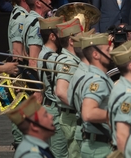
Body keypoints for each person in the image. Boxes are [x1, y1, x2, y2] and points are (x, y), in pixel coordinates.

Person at [74, 33, 114, 157]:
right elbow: (88, 113)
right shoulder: (97, 81)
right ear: (96, 54)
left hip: (98, 144)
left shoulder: (92, 76)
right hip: (100, 148)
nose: (110, 53)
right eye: (107, 50)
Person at [37, 16, 69, 158]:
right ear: (52, 36)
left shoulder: (43, 52)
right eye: (60, 33)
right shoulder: (53, 59)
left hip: (47, 107)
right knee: (60, 153)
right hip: (55, 110)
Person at [54, 19, 84, 158]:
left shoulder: (71, 59)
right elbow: (61, 91)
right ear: (72, 41)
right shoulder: (69, 62)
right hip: (71, 117)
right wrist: (82, 107)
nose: (83, 38)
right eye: (80, 35)